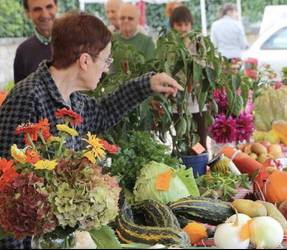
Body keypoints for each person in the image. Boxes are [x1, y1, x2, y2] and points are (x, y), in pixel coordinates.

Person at [0, 12, 182, 249]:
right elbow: (8, 188)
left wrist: (147, 84)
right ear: (85, 61)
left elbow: (103, 114)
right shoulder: (28, 97)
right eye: (106, 61)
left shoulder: (74, 99)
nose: (106, 69)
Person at [169, 5, 208, 150]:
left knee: (200, 139)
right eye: (179, 25)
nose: (183, 28)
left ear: (191, 24)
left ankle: (201, 166)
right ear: (173, 26)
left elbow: (204, 64)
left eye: (186, 24)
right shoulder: (170, 44)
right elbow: (168, 69)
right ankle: (187, 165)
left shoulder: (198, 41)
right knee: (183, 140)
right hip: (178, 101)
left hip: (197, 100)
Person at [13, 0, 58, 84]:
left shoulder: (76, 42)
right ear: (28, 13)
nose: (45, 14)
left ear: (56, 7)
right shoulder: (23, 51)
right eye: (37, 9)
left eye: (49, 7)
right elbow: (20, 94)